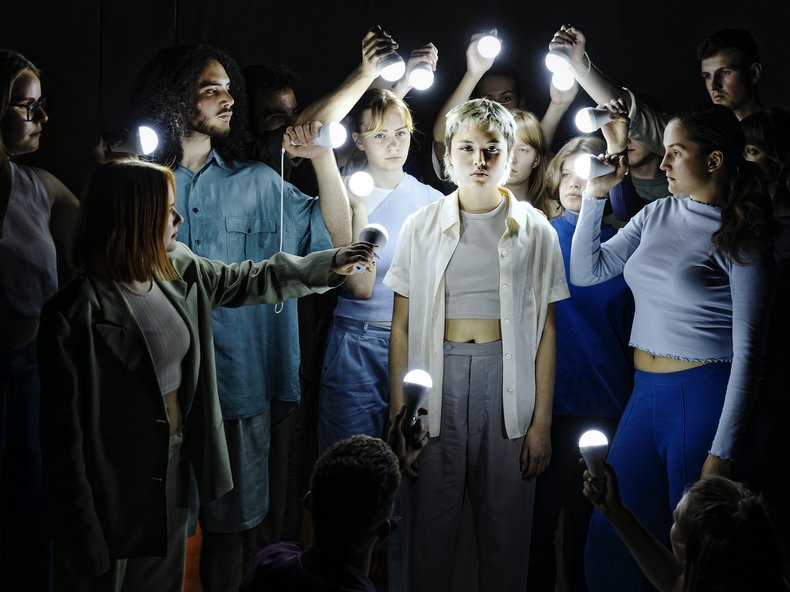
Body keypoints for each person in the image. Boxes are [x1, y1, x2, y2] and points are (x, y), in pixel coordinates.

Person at [37, 159, 374, 592]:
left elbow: (249, 278)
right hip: (112, 484)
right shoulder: (73, 314)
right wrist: (82, 532)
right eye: (167, 210)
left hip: (173, 466)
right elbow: (63, 443)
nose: (178, 218)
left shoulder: (176, 268)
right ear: (135, 217)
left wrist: (330, 263)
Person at [131, 44, 352, 592]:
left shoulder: (260, 182)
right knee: (153, 541)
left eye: (230, 89)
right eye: (211, 89)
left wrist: (323, 159)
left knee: (232, 535)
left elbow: (338, 244)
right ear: (175, 97)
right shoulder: (139, 185)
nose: (228, 99)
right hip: (159, 392)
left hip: (239, 386)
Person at [571, 103, 775, 591]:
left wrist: (722, 451)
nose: (662, 163)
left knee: (693, 553)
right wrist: (595, 196)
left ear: (714, 160)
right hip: (644, 395)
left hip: (704, 398)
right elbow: (587, 272)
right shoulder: (657, 212)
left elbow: (750, 356)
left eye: (675, 152)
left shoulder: (743, 238)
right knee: (608, 536)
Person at [384, 98, 569, 591]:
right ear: (449, 155)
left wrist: (541, 424)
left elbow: (548, 331)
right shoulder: (420, 225)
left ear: (511, 155)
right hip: (435, 383)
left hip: (507, 384)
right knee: (428, 534)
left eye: (492, 149)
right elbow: (400, 328)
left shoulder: (537, 230)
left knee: (506, 536)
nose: (480, 160)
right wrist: (400, 416)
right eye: (466, 148)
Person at [528, 134, 635, 591]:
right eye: (568, 174)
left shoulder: (623, 245)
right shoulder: (536, 236)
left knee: (590, 529)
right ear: (555, 179)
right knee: (537, 529)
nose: (576, 183)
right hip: (546, 406)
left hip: (607, 401)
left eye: (587, 174)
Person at [318, 87, 443, 452]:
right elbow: (359, 286)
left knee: (408, 453)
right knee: (348, 455)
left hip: (413, 342)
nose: (393, 145)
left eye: (401, 133)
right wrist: (357, 208)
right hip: (355, 340)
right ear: (359, 140)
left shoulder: (433, 203)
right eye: (379, 136)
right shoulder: (342, 195)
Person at [0, 48, 80, 592]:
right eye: (28, 106)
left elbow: (103, 244)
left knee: (32, 511)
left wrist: (120, 174)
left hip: (34, 370)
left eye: (41, 104)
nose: (42, 117)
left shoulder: (40, 186)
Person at [548, 25, 764, 160]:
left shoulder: (775, 135)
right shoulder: (692, 134)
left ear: (754, 73)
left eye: (725, 73)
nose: (714, 85)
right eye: (707, 76)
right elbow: (631, 113)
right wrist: (578, 62)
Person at [582, 463, 789, 592]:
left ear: (690, 552)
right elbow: (674, 578)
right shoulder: (755, 576)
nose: (672, 516)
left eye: (676, 521)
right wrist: (615, 511)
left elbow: (674, 581)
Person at [429, 30, 577, 193]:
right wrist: (473, 73)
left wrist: (558, 105)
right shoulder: (470, 157)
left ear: (520, 102)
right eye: (488, 100)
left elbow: (534, 146)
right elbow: (441, 137)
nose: (498, 107)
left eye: (506, 98)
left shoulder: (533, 165)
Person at [505, 108, 559, 218]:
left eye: (522, 150)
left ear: (536, 159)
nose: (512, 159)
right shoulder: (472, 207)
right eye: (506, 147)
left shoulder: (556, 213)